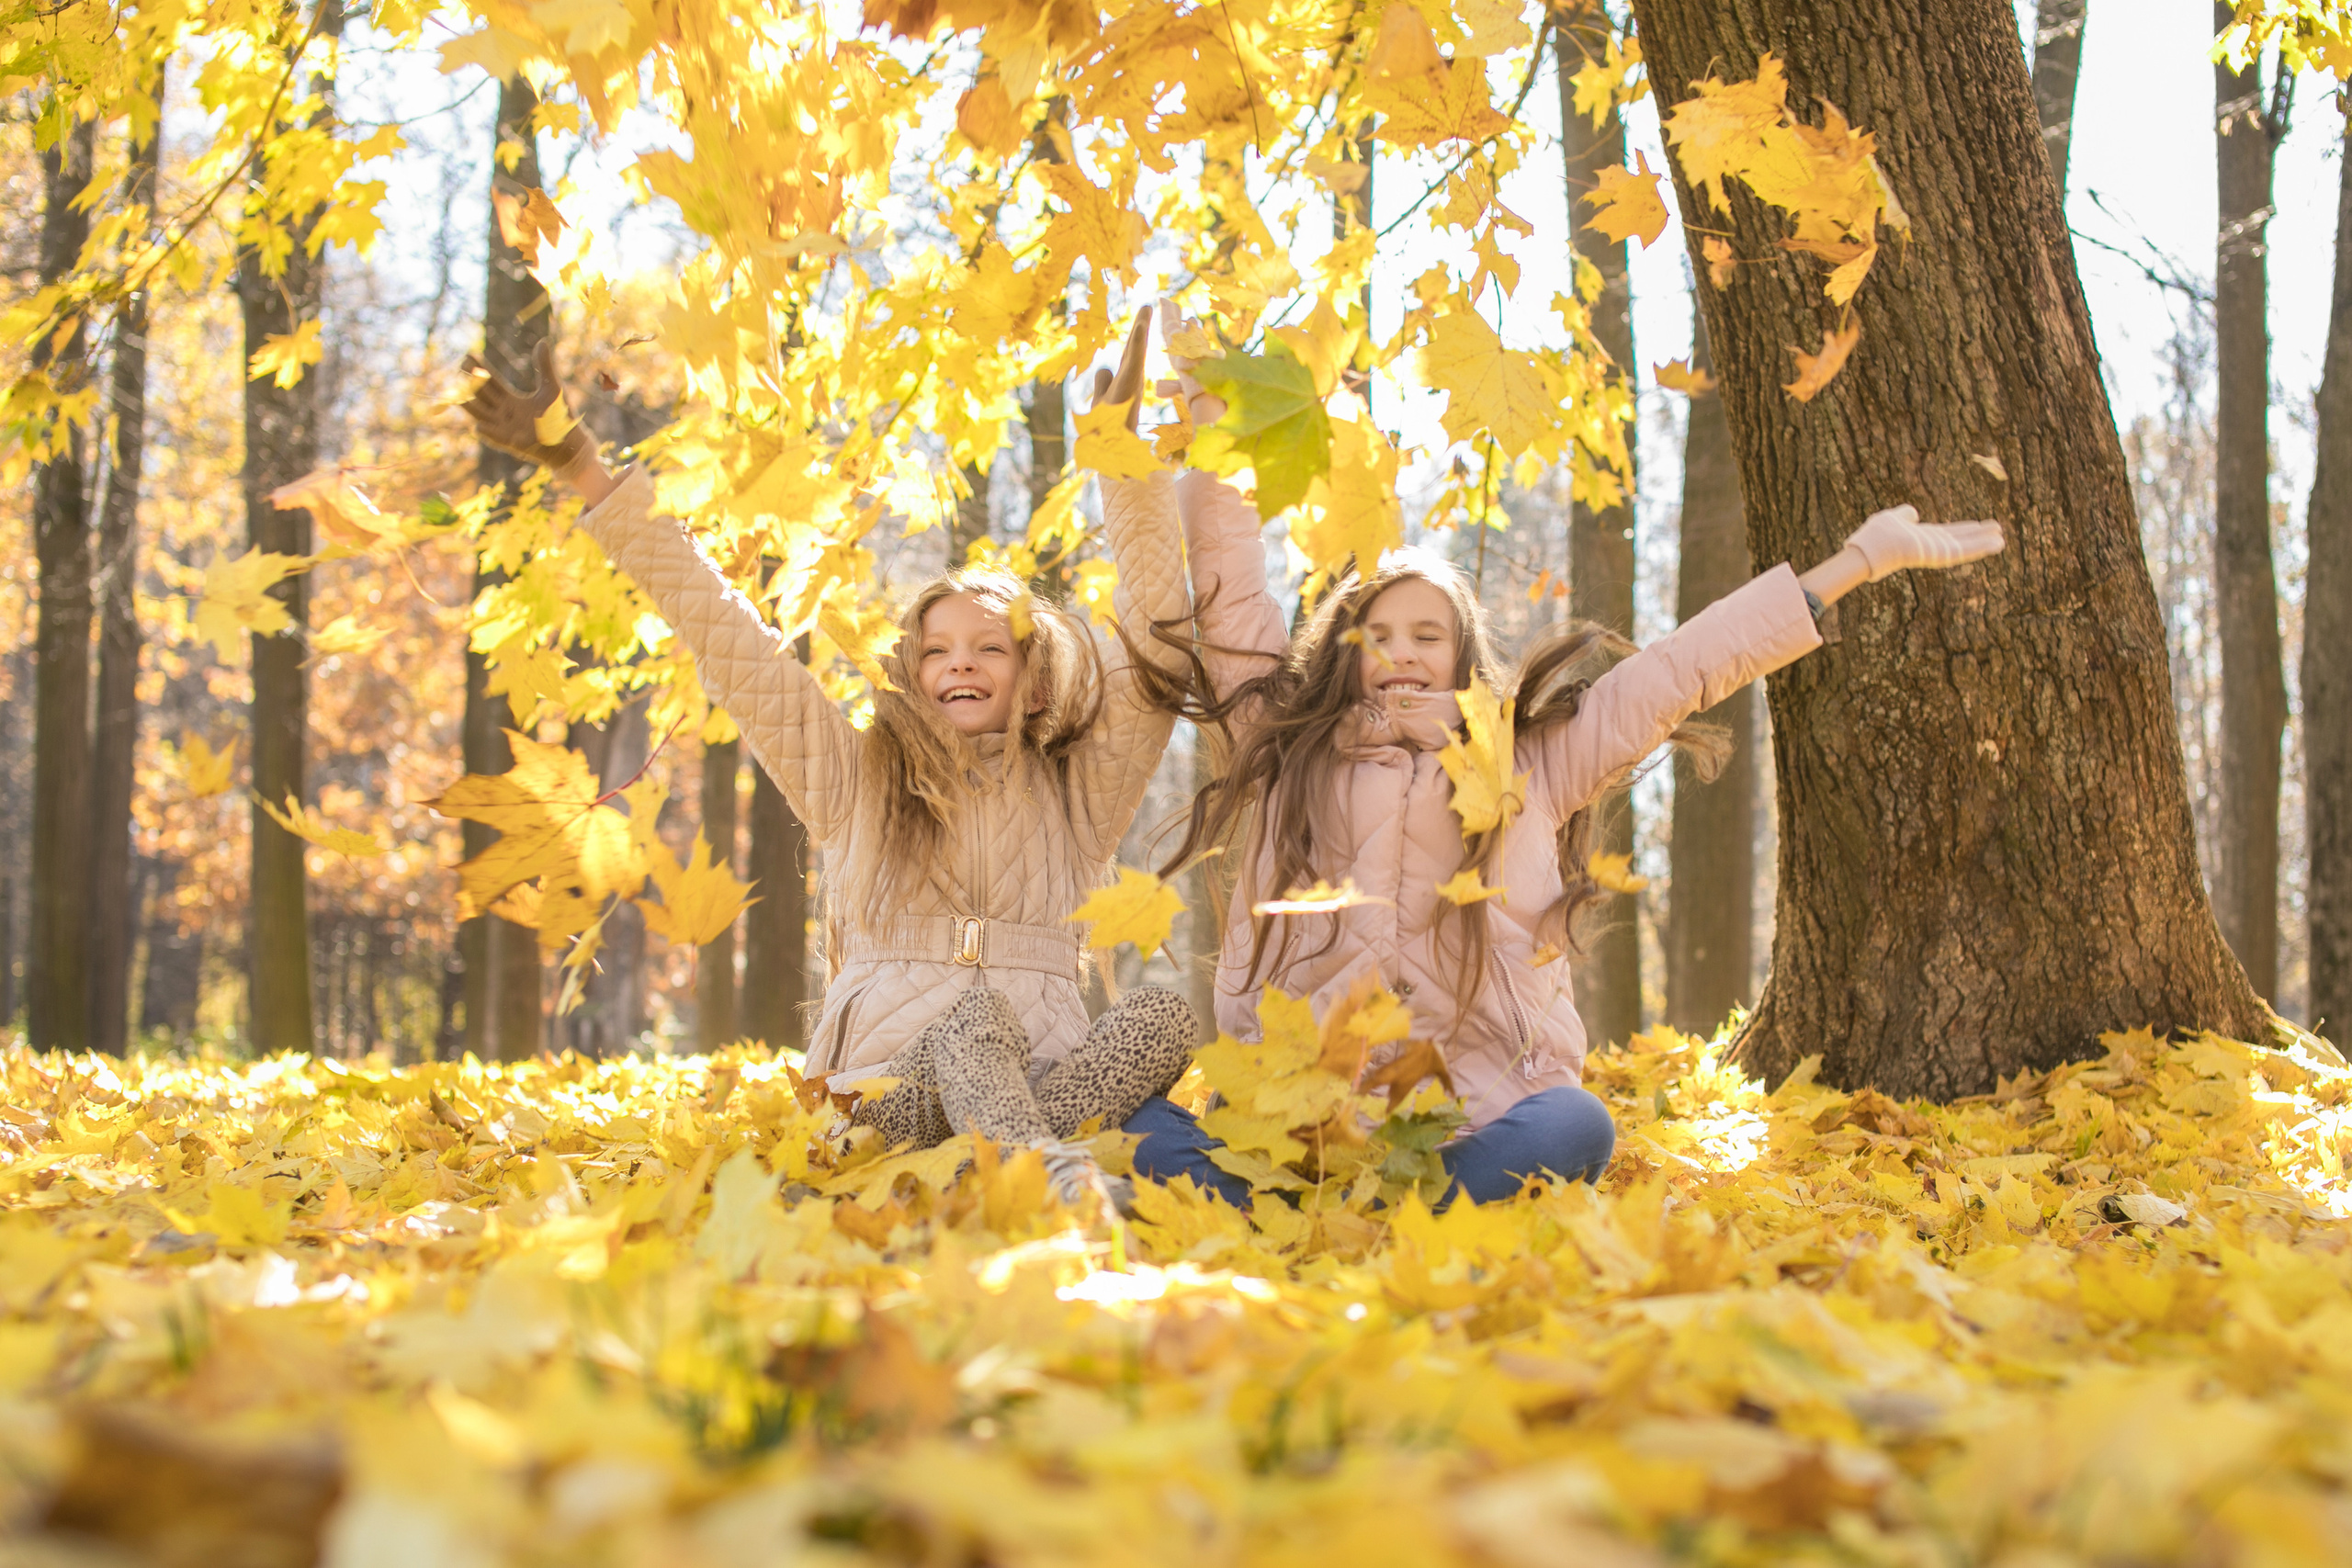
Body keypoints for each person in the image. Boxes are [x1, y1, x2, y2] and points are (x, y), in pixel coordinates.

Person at [1125, 321, 2006, 1207]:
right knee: (1136, 1124)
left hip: (1470, 1113)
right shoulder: (1289, 747)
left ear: (1461, 654)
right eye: (1377, 634)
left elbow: (1679, 672)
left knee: (1577, 1124)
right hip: (1304, 1116)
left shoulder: (1531, 758)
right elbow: (1233, 601)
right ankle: (1324, 1203)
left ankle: (1382, 1209)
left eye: (1427, 634)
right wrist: (1218, 437)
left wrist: (1855, 564)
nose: (1401, 652)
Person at [459, 310, 1201, 1207]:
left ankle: (1013, 1171)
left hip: (1042, 1090)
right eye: (936, 651)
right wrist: (583, 466)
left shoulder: (1076, 798)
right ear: (912, 676)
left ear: (1035, 683)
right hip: (884, 1098)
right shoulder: (856, 780)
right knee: (977, 1021)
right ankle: (1040, 1189)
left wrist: (1126, 467)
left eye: (989, 648)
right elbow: (726, 636)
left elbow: (1158, 654)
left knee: (1161, 1016)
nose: (960, 663)